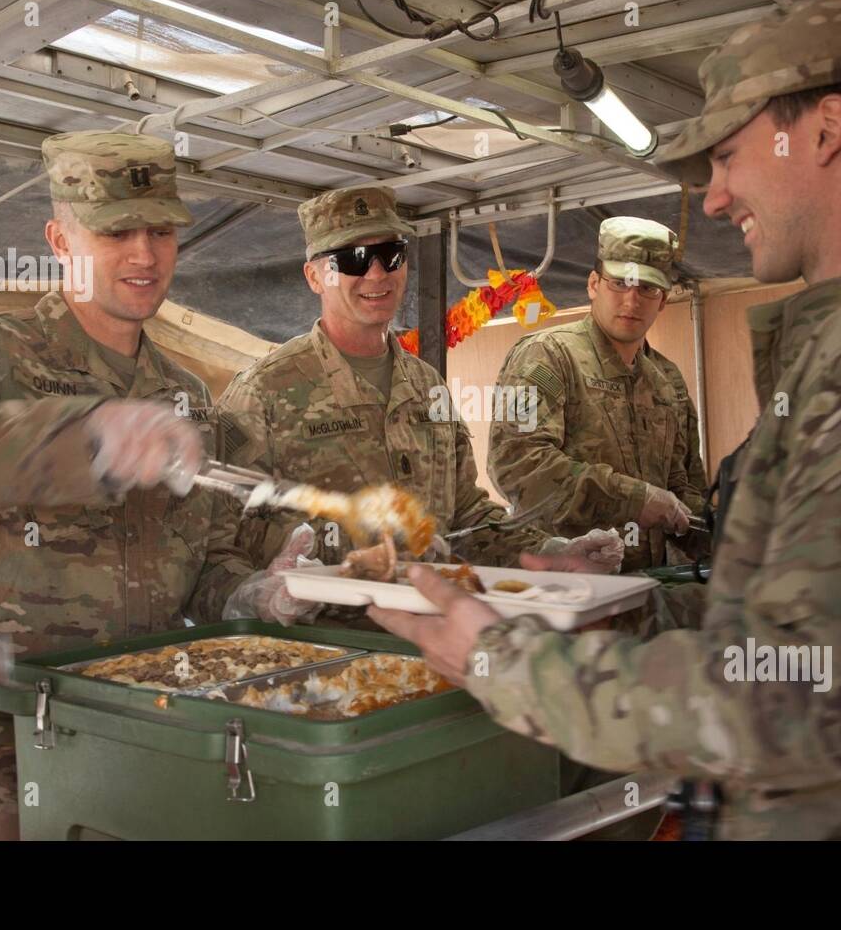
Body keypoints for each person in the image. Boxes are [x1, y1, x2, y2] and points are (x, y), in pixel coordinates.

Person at [368, 0, 841, 839]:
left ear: (825, 129)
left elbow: (802, 696)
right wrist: (618, 601)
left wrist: (502, 661)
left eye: (731, 155)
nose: (713, 197)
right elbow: (796, 624)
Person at [0, 131, 258, 838]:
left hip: (138, 749)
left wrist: (250, 592)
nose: (145, 254)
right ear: (60, 240)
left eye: (162, 229)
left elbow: (204, 563)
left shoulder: (186, 397)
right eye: (116, 229)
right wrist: (78, 442)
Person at [210, 186, 622, 628]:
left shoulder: (427, 385)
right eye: (351, 259)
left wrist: (550, 554)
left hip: (433, 641)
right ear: (314, 276)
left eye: (390, 255)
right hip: (320, 649)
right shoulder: (264, 391)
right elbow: (215, 544)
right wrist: (260, 596)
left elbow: (467, 516)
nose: (375, 274)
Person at [488, 215, 708, 579]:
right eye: (620, 283)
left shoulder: (667, 379)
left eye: (648, 289)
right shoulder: (548, 356)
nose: (632, 300)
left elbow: (685, 487)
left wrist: (729, 534)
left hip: (650, 589)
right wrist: (633, 498)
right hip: (564, 586)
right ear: (594, 284)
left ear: (664, 300)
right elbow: (517, 464)